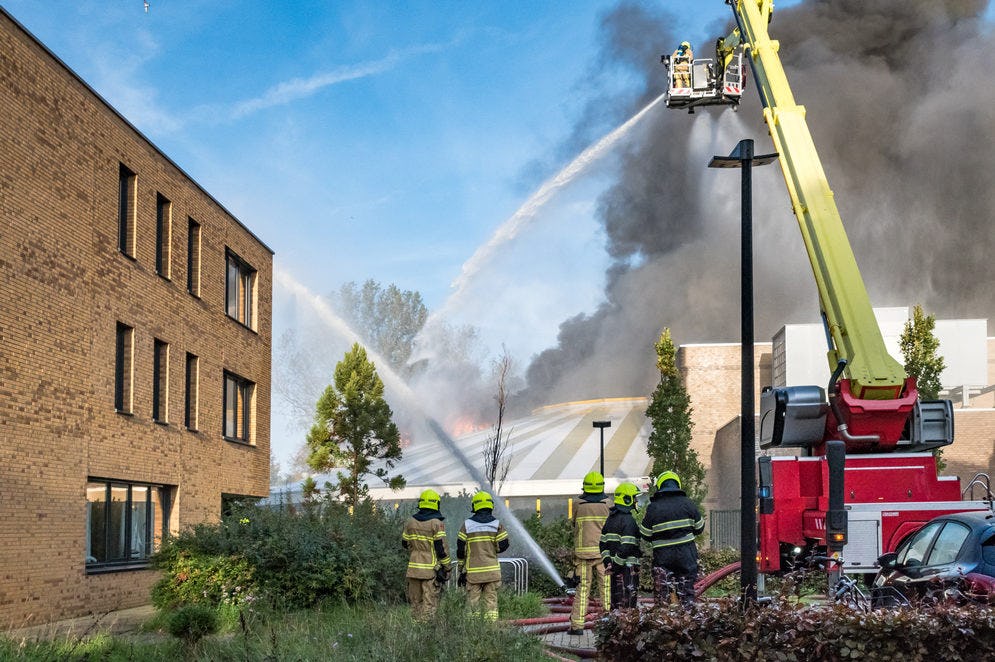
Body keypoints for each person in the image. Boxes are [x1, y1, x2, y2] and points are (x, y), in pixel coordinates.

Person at [639, 470, 705, 607]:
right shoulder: (687, 503)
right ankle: (687, 621)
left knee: (663, 590)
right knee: (687, 590)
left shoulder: (653, 507)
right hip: (686, 554)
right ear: (677, 484)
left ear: (660, 486)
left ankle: (665, 621)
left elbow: (645, 533)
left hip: (663, 556)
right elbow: (699, 527)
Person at [568, 471, 611, 635]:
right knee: (606, 588)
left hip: (582, 555)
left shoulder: (578, 504)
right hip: (602, 554)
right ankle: (609, 622)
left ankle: (577, 627)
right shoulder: (609, 504)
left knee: (582, 589)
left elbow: (574, 525)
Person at [457, 490, 509, 621]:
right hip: (491, 571)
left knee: (472, 603)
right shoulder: (497, 524)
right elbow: (504, 545)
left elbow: (460, 549)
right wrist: (492, 549)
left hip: (473, 573)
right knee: (491, 602)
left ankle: (472, 629)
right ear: (490, 505)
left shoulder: (467, 525)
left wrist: (460, 569)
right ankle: (490, 629)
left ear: (475, 506)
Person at [401, 488, 451, 621]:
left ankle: (416, 633)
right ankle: (426, 633)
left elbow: (405, 544)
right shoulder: (436, 523)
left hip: (413, 569)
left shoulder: (410, 522)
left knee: (415, 603)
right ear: (436, 504)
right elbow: (441, 549)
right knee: (429, 603)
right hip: (430, 571)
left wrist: (416, 550)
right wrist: (447, 568)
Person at [600, 482, 642, 610]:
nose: (636, 501)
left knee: (616, 601)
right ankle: (626, 628)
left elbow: (603, 544)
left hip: (615, 569)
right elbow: (626, 547)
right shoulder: (628, 521)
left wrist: (608, 563)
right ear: (627, 499)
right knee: (628, 603)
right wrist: (616, 566)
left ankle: (615, 627)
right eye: (634, 498)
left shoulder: (610, 519)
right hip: (627, 570)